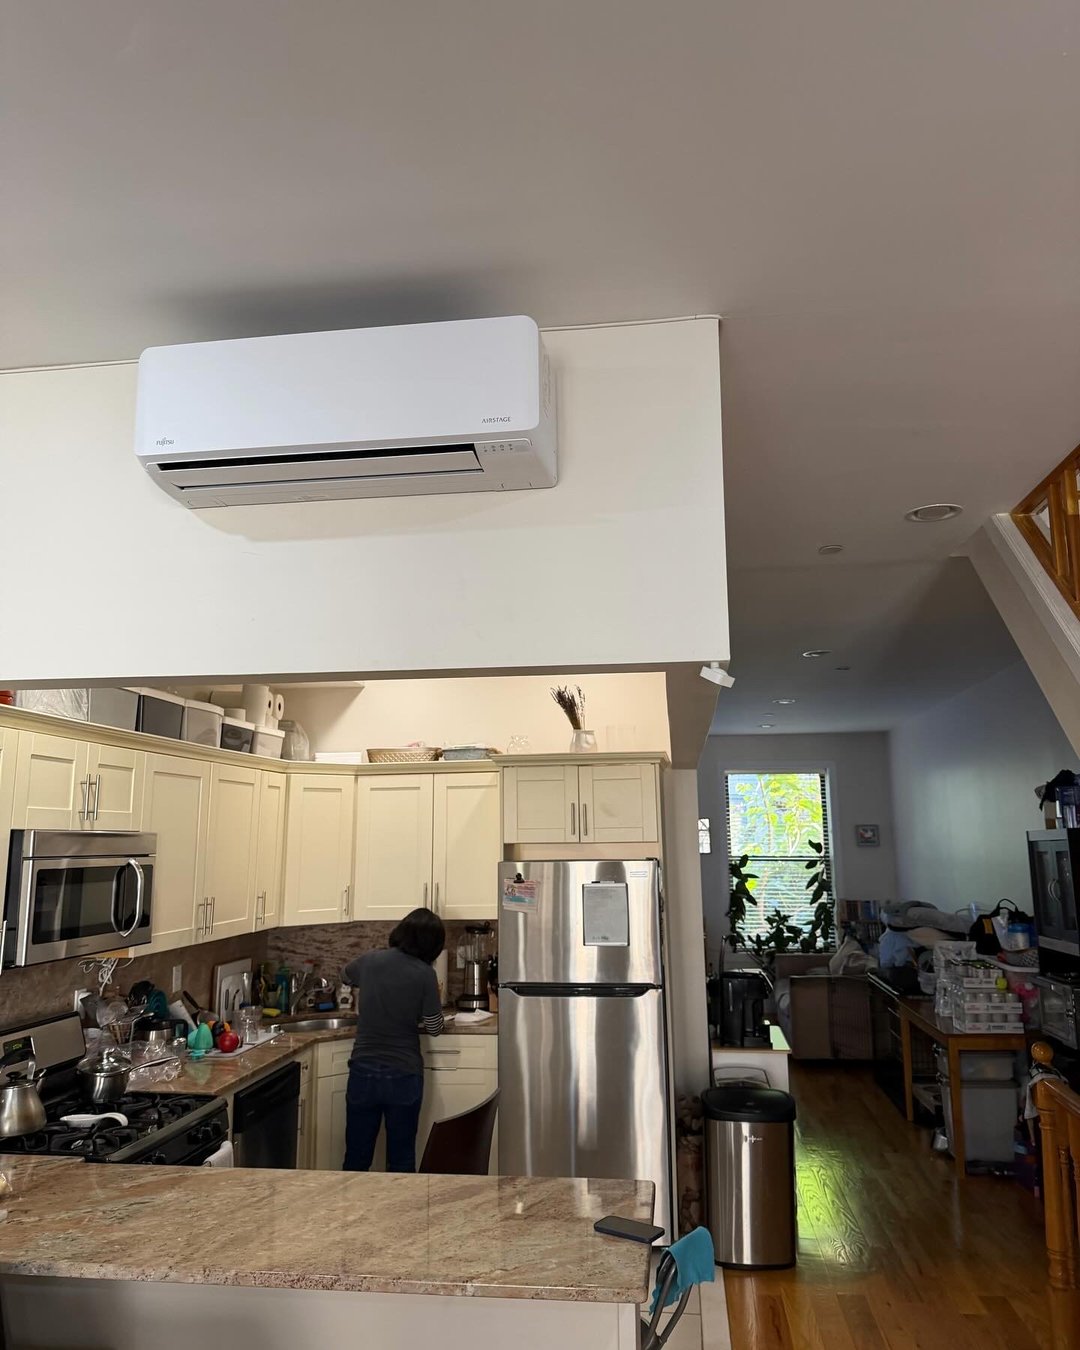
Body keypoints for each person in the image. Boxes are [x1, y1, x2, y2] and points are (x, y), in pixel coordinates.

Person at [341, 907, 445, 1172]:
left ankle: (350, 1200)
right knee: (401, 1158)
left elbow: (345, 975)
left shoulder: (370, 960)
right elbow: (434, 1027)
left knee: (356, 1157)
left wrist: (371, 988)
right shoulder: (425, 973)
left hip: (363, 1070)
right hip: (403, 1074)